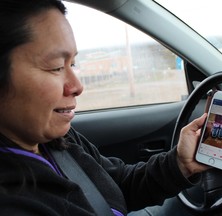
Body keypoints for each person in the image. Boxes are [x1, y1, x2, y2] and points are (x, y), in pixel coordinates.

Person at [0, 0, 210, 215]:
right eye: (56, 67)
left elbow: (117, 187)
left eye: (72, 64)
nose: (77, 87)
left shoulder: (57, 141)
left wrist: (181, 163)